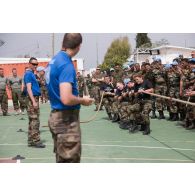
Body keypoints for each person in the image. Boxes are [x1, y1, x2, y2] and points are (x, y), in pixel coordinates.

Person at [45, 33, 94, 163]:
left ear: (64, 43)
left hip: (56, 116)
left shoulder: (53, 61)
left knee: (62, 159)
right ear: (79, 46)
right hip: (66, 120)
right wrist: (83, 100)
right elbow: (66, 98)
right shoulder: (66, 64)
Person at [23, 57, 46, 148]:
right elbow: (29, 88)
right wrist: (33, 101)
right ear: (29, 64)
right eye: (33, 64)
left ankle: (31, 140)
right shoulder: (28, 74)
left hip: (34, 98)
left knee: (32, 121)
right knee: (35, 120)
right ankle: (36, 140)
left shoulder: (32, 74)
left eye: (36, 64)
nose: (35, 66)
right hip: (32, 99)